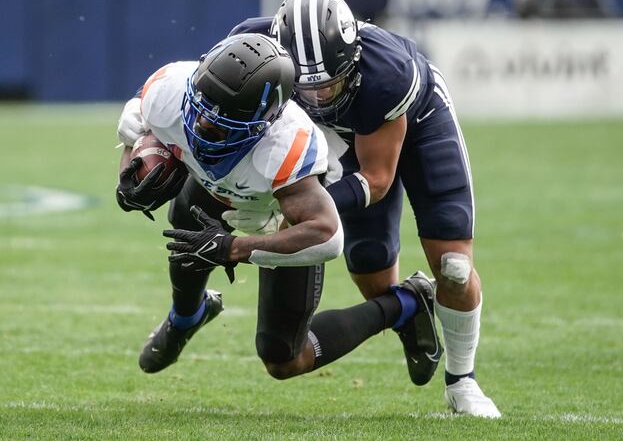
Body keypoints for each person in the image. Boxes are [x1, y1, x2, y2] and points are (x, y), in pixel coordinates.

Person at [229, 0, 500, 418]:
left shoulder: (386, 75)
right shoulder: (254, 51)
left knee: (452, 264)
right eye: (307, 88)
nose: (317, 99)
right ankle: (411, 310)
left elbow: (376, 180)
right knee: (373, 274)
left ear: (351, 61)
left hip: (413, 125)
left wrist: (292, 207)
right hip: (345, 137)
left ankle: (462, 381)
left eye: (329, 85)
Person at [115, 33, 442, 383]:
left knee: (283, 358)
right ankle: (187, 316)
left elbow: (327, 235)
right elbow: (141, 120)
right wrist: (129, 170)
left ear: (260, 125)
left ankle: (407, 303)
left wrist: (234, 248)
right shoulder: (171, 88)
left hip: (276, 214)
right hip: (219, 187)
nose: (203, 125)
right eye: (201, 107)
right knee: (186, 224)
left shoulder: (285, 146)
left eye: (221, 124)